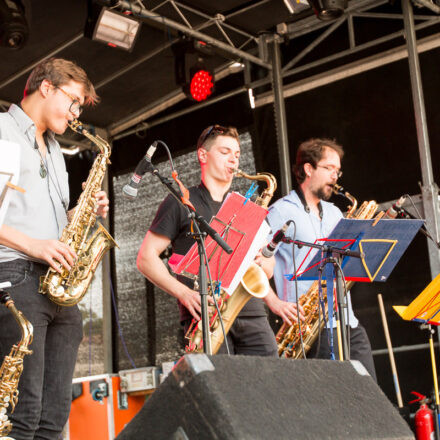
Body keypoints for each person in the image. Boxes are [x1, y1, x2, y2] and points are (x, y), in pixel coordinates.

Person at [0, 58, 109, 439]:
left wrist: (81, 212)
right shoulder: (4, 135)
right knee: (22, 413)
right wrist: (36, 245)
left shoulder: (54, 149)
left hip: (56, 286)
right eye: (74, 101)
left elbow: (53, 224)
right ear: (47, 87)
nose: (77, 113)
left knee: (54, 416)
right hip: (18, 278)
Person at [137, 124, 278, 356]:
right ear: (203, 155)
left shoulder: (249, 208)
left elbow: (269, 269)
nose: (233, 160)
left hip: (251, 312)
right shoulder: (180, 202)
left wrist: (263, 262)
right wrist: (183, 293)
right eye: (225, 152)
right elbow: (145, 259)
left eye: (237, 154)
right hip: (205, 315)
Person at [266, 138, 377, 380]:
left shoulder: (336, 213)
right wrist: (274, 302)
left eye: (338, 171)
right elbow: (254, 262)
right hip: (308, 328)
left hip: (347, 323)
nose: (335, 176)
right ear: (308, 168)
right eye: (329, 168)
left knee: (372, 399)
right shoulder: (281, 211)